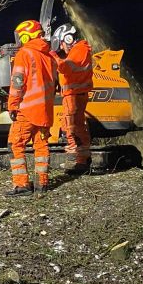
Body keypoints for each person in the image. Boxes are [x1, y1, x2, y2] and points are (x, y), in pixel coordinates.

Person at [5, 19, 58, 195]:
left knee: (15, 145)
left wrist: (12, 105)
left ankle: (22, 185)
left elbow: (18, 82)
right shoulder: (50, 57)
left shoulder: (25, 53)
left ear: (26, 35)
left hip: (27, 109)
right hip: (45, 111)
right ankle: (42, 185)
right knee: (41, 147)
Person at [51, 23, 93, 174]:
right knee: (74, 125)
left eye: (62, 44)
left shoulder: (80, 50)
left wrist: (52, 55)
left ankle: (79, 160)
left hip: (74, 95)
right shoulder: (78, 51)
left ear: (68, 38)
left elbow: (66, 67)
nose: (62, 48)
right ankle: (81, 160)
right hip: (73, 94)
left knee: (72, 127)